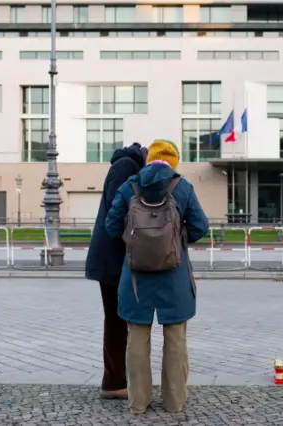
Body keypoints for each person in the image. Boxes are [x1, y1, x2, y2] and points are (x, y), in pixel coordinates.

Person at [105, 139, 209, 414]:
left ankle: (139, 402)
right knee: (175, 339)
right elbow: (200, 225)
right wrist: (178, 238)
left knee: (137, 338)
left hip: (136, 276)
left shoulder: (130, 186)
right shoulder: (182, 187)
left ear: (149, 158)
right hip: (174, 275)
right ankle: (174, 402)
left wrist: (134, 238)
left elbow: (111, 225)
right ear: (173, 162)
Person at [85, 142, 147, 400]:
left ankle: (117, 380)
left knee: (118, 320)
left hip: (112, 257)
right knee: (117, 321)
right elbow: (118, 210)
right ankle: (114, 383)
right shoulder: (127, 166)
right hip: (113, 259)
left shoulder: (125, 164)